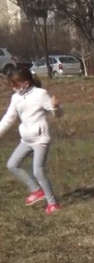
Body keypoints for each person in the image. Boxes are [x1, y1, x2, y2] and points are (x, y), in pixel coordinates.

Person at [0, 68, 62, 214]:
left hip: (41, 139)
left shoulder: (40, 94)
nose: (13, 88)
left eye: (16, 84)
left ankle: (53, 203)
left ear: (26, 83)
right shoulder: (16, 98)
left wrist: (56, 107)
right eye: (12, 85)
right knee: (12, 164)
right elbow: (8, 119)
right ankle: (36, 191)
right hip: (26, 139)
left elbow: (57, 113)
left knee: (38, 171)